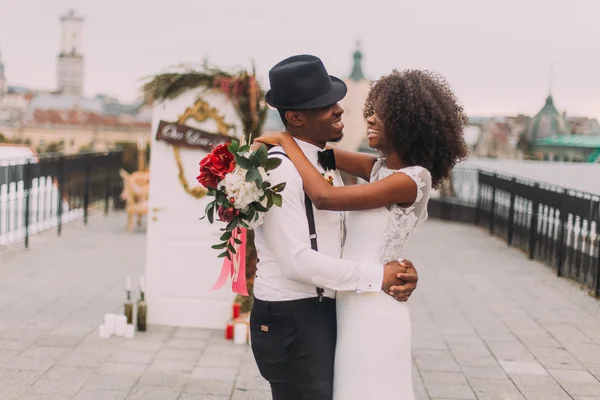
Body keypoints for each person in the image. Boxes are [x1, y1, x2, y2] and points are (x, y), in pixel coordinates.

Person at [255, 68, 469, 399]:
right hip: (347, 300)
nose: (369, 117)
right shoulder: (379, 170)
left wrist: (285, 140)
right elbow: (322, 154)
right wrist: (281, 145)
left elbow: (325, 197)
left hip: (373, 306)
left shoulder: (411, 180)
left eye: (382, 112)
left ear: (406, 122)